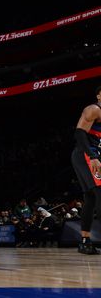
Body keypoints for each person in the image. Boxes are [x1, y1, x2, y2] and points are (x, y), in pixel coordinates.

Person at [71, 84, 101, 254]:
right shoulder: (94, 109)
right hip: (85, 155)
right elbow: (79, 133)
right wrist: (94, 157)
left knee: (90, 198)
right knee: (99, 192)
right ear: (98, 96)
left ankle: (85, 241)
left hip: (95, 156)